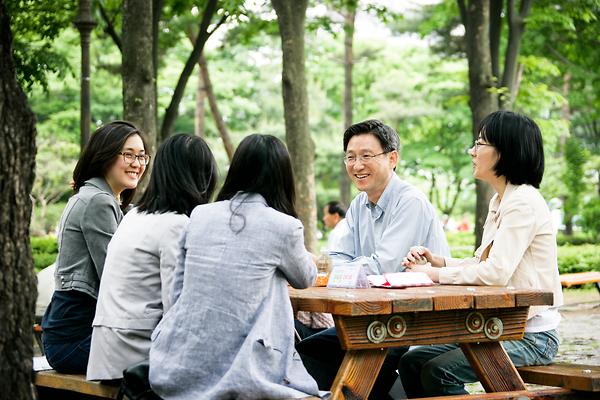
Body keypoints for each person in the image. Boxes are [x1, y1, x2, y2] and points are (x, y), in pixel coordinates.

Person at [398, 110, 564, 397]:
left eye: (480, 144)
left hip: (532, 336)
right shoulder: (501, 199)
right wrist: (438, 261)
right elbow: (484, 262)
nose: (472, 151)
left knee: (438, 371)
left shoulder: (522, 202)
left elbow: (495, 274)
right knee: (413, 361)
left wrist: (433, 275)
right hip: (497, 327)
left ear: (505, 151)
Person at [149, 134, 321, 399]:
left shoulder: (200, 215)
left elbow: (177, 291)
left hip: (179, 359)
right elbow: (305, 278)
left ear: (237, 169)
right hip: (248, 367)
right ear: (282, 177)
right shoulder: (284, 227)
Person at [296, 119, 450, 399]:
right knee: (309, 351)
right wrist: (342, 268)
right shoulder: (359, 205)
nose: (357, 165)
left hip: (417, 322)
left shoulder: (409, 202)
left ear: (392, 158)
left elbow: (382, 270)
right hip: (375, 319)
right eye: (351, 157)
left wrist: (339, 269)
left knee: (354, 358)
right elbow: (336, 258)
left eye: (366, 156)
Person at [86, 134, 218, 381]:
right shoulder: (176, 225)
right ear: (202, 178)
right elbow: (176, 307)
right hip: (137, 354)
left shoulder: (134, 215)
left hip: (107, 349)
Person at [41, 121, 149, 374]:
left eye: (142, 156)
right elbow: (115, 279)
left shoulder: (96, 198)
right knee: (166, 358)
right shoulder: (98, 202)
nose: (137, 163)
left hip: (68, 335)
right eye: (129, 154)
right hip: (74, 340)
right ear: (105, 155)